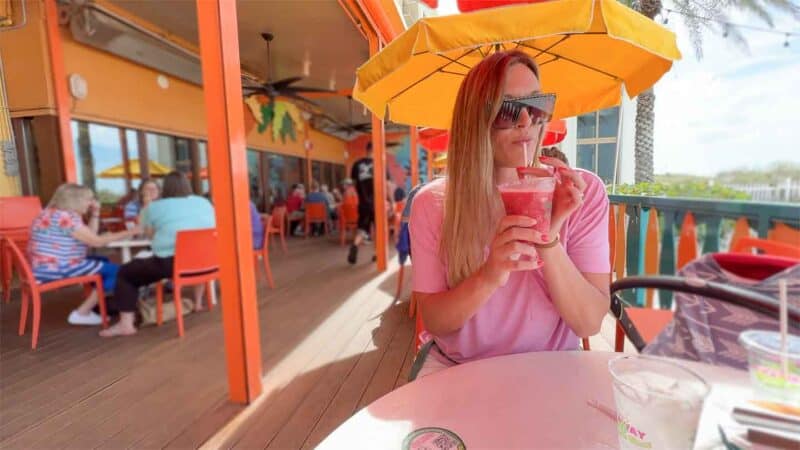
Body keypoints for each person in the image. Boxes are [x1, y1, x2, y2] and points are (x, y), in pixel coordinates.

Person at [409, 50, 609, 379]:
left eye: (536, 105)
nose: (526, 121)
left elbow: (588, 322)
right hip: (461, 369)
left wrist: (549, 236)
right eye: (507, 109)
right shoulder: (434, 203)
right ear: (476, 120)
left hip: (552, 366)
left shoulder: (582, 192)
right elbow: (435, 320)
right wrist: (489, 276)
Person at [102, 172, 216, 337]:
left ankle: (126, 325)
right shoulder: (204, 202)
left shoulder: (157, 207)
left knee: (125, 273)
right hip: (208, 262)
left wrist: (148, 207)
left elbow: (147, 233)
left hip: (172, 263)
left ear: (164, 189)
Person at [28, 183, 140, 326]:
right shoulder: (65, 217)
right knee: (118, 271)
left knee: (103, 261)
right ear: (76, 200)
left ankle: (98, 300)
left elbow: (90, 236)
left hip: (45, 266)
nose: (91, 202)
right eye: (89, 199)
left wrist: (95, 212)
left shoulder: (50, 213)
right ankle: (83, 312)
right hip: (57, 268)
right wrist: (132, 231)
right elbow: (96, 242)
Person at [347, 143, 376, 264]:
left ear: (367, 150)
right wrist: (391, 201)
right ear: (375, 150)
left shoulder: (356, 164)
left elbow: (353, 184)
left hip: (363, 202)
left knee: (362, 228)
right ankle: (377, 254)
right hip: (376, 202)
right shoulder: (379, 163)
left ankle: (355, 244)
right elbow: (386, 184)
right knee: (378, 229)